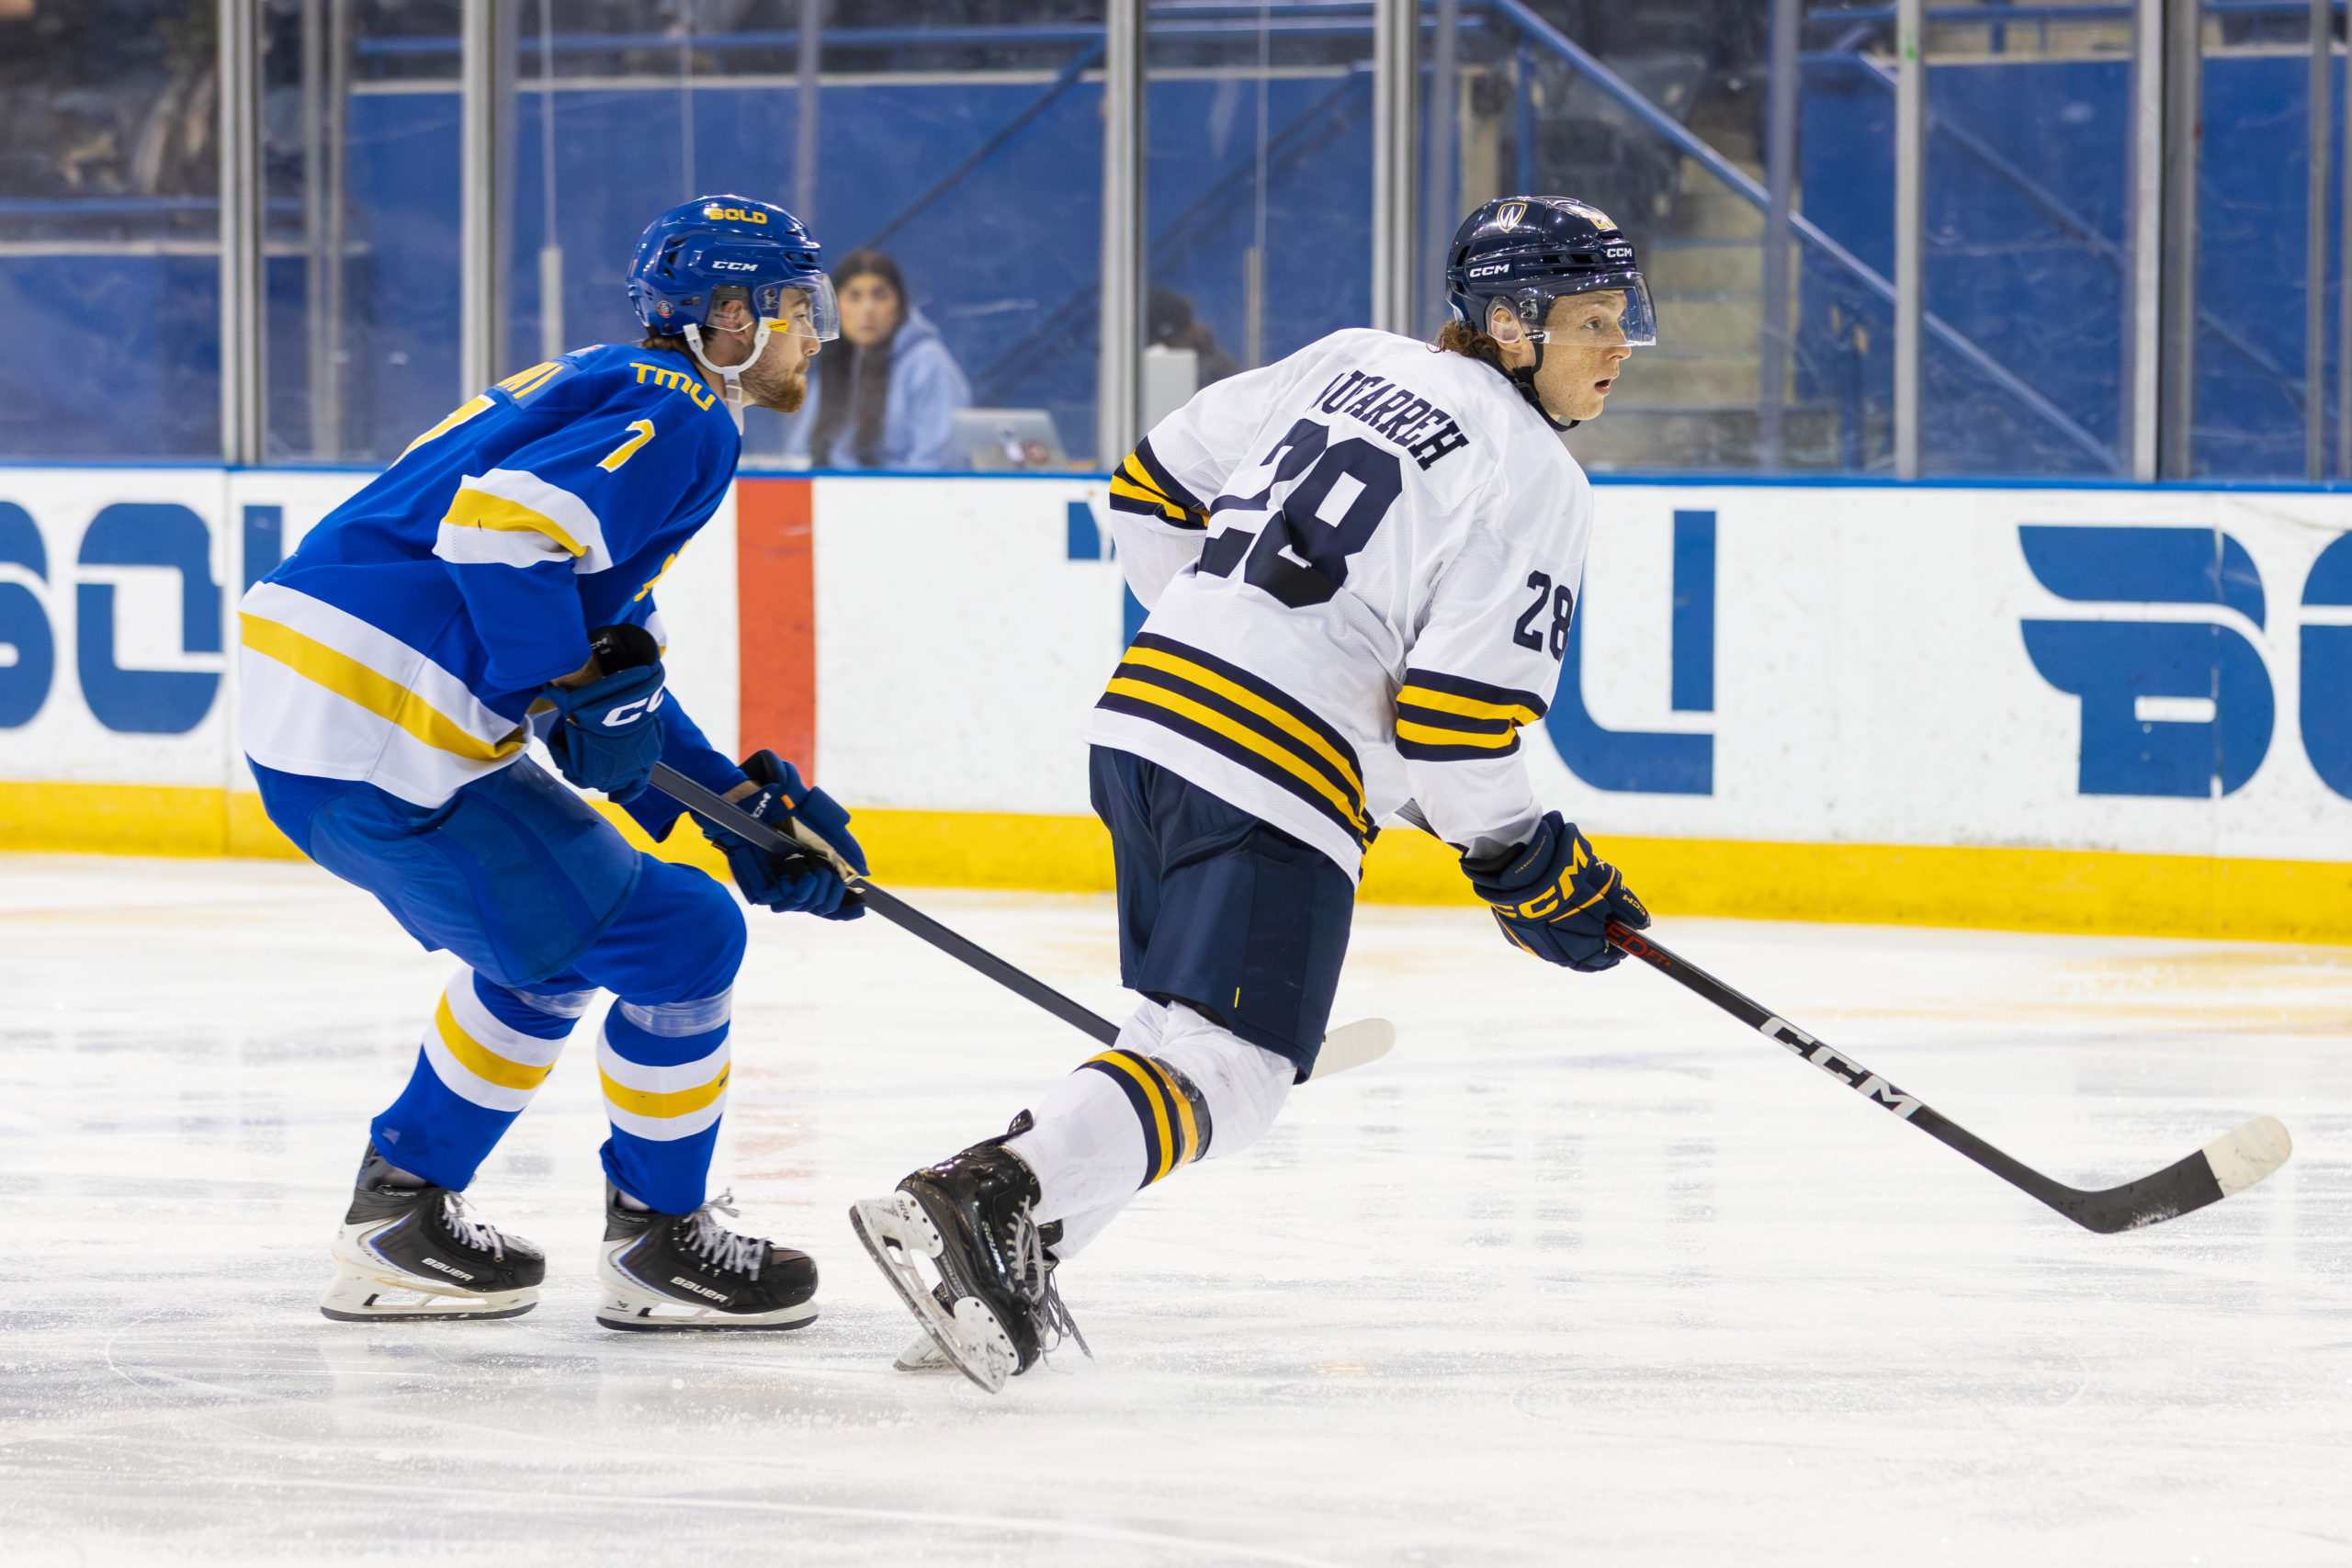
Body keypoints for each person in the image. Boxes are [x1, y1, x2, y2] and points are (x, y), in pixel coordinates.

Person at [851, 196, 1659, 1392]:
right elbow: (1454, 720)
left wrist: (1245, 635)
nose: (1618, 348)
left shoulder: (1349, 360)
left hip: (1143, 722)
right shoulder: (1535, 471)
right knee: (1236, 1073)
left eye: (1621, 319)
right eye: (1591, 320)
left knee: (1174, 1041)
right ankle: (985, 1195)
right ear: (1507, 321)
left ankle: (1026, 1247)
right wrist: (1531, 865)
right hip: (1270, 771)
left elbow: (1144, 490)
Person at [240, 195, 872, 1332]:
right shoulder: (684, 413)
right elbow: (498, 533)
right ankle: (660, 1244)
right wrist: (567, 683)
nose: (811, 336)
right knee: (682, 940)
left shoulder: (607, 382)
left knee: (551, 955)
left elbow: (601, 646)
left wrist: (736, 812)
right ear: (727, 317)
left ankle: (402, 1216)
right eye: (791, 309)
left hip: (321, 719)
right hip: (384, 721)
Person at [795, 248, 971, 469]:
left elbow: (937, 466)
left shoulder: (929, 364)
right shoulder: (835, 363)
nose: (867, 309)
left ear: (900, 305)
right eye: (854, 296)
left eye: (879, 295)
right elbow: (800, 455)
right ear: (837, 306)